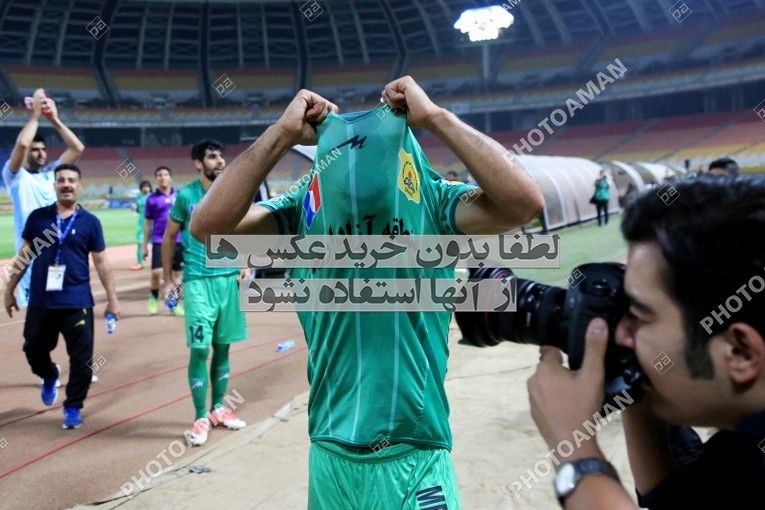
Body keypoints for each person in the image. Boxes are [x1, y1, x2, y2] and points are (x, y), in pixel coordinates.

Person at [191, 78, 544, 508]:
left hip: (415, 454)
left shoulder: (433, 199)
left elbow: (524, 203)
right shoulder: (301, 208)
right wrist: (281, 134)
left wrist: (436, 118)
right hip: (330, 455)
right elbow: (208, 228)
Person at [527, 175, 765, 509]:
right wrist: (631, 379)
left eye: (639, 316)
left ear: (740, 353)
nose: (621, 335)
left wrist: (574, 449)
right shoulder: (745, 441)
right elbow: (673, 499)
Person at [3, 164, 119, 430]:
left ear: (80, 186)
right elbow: (24, 256)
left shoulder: (90, 222)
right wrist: (9, 290)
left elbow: (102, 262)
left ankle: (73, 407)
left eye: (71, 180)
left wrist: (112, 299)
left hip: (77, 302)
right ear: (54, 185)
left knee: (82, 360)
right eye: (61, 180)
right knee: (33, 349)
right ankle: (49, 373)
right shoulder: (39, 219)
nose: (66, 184)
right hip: (41, 301)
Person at [161, 139, 248, 446]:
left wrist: (244, 261)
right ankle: (200, 416)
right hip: (198, 282)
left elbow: (240, 228)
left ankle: (219, 408)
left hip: (228, 280)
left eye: (221, 155)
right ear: (198, 163)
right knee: (200, 349)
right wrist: (168, 279)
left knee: (223, 348)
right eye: (212, 157)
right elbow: (169, 237)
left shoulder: (232, 192)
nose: (220, 161)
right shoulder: (186, 196)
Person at [2, 88, 84, 307]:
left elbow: (77, 148)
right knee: (36, 315)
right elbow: (22, 144)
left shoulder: (52, 174)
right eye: (35, 149)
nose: (41, 153)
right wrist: (36, 116)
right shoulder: (15, 177)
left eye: (44, 149)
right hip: (31, 253)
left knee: (63, 308)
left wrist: (54, 120)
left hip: (58, 252)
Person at [143, 166, 184, 316]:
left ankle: (174, 304)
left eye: (166, 174)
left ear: (170, 178)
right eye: (159, 175)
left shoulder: (180, 197)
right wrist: (144, 245)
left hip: (178, 240)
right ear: (156, 179)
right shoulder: (151, 199)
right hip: (159, 240)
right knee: (156, 272)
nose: (163, 177)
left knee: (177, 274)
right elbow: (147, 223)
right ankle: (154, 298)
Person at [131, 180, 152, 271]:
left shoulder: (153, 197)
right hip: (141, 223)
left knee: (157, 243)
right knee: (140, 243)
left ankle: (160, 262)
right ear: (141, 188)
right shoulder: (138, 197)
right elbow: (137, 210)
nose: (145, 188)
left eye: (147, 186)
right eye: (144, 186)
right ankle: (140, 262)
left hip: (153, 223)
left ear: (150, 188)